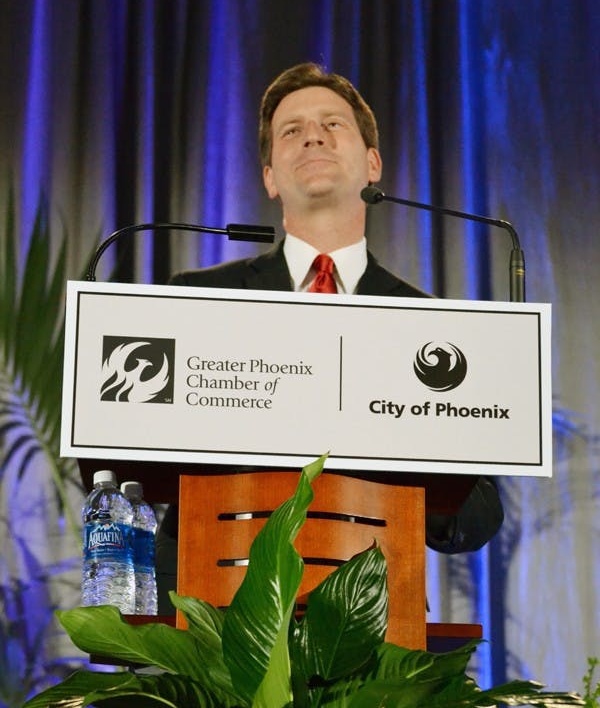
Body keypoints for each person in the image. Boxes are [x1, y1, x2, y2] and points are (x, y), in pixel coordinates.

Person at [157, 63, 503, 610]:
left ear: (373, 164)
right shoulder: (198, 300)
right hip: (214, 609)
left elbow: (477, 515)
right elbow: (142, 464)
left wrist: (395, 440)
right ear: (270, 177)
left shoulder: (433, 327)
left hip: (371, 619)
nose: (313, 136)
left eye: (332, 124)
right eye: (292, 130)